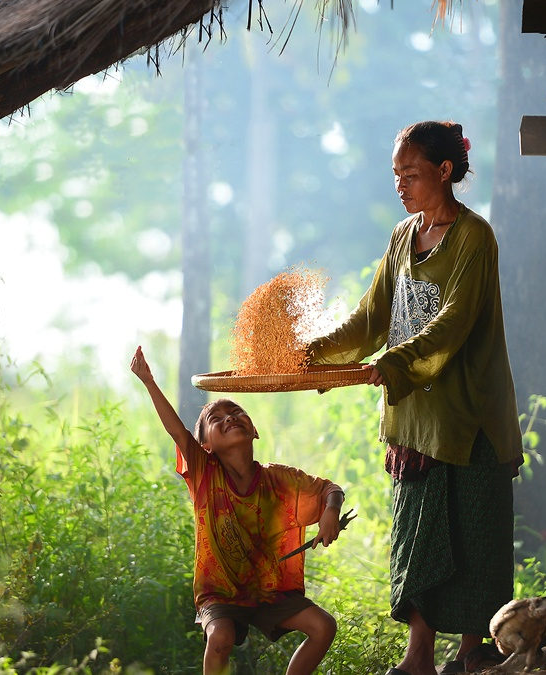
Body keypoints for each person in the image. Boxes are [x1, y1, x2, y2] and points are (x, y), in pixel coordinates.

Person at [307, 120, 524, 675]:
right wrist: (315, 352)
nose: (400, 185)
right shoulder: (403, 236)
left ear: (445, 172)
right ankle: (418, 654)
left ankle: (473, 653)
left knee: (474, 533)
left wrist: (395, 364)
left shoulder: (476, 237)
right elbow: (372, 316)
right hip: (416, 418)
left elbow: (452, 324)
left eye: (411, 173)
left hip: (469, 415)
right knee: (418, 538)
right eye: (396, 175)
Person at [130, 345, 344, 675]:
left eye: (237, 413)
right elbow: (176, 430)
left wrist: (330, 511)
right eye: (216, 419)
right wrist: (149, 382)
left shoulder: (280, 479)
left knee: (323, 627)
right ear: (205, 446)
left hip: (271, 591)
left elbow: (331, 490)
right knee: (220, 637)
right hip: (220, 592)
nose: (230, 417)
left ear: (254, 430)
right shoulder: (204, 474)